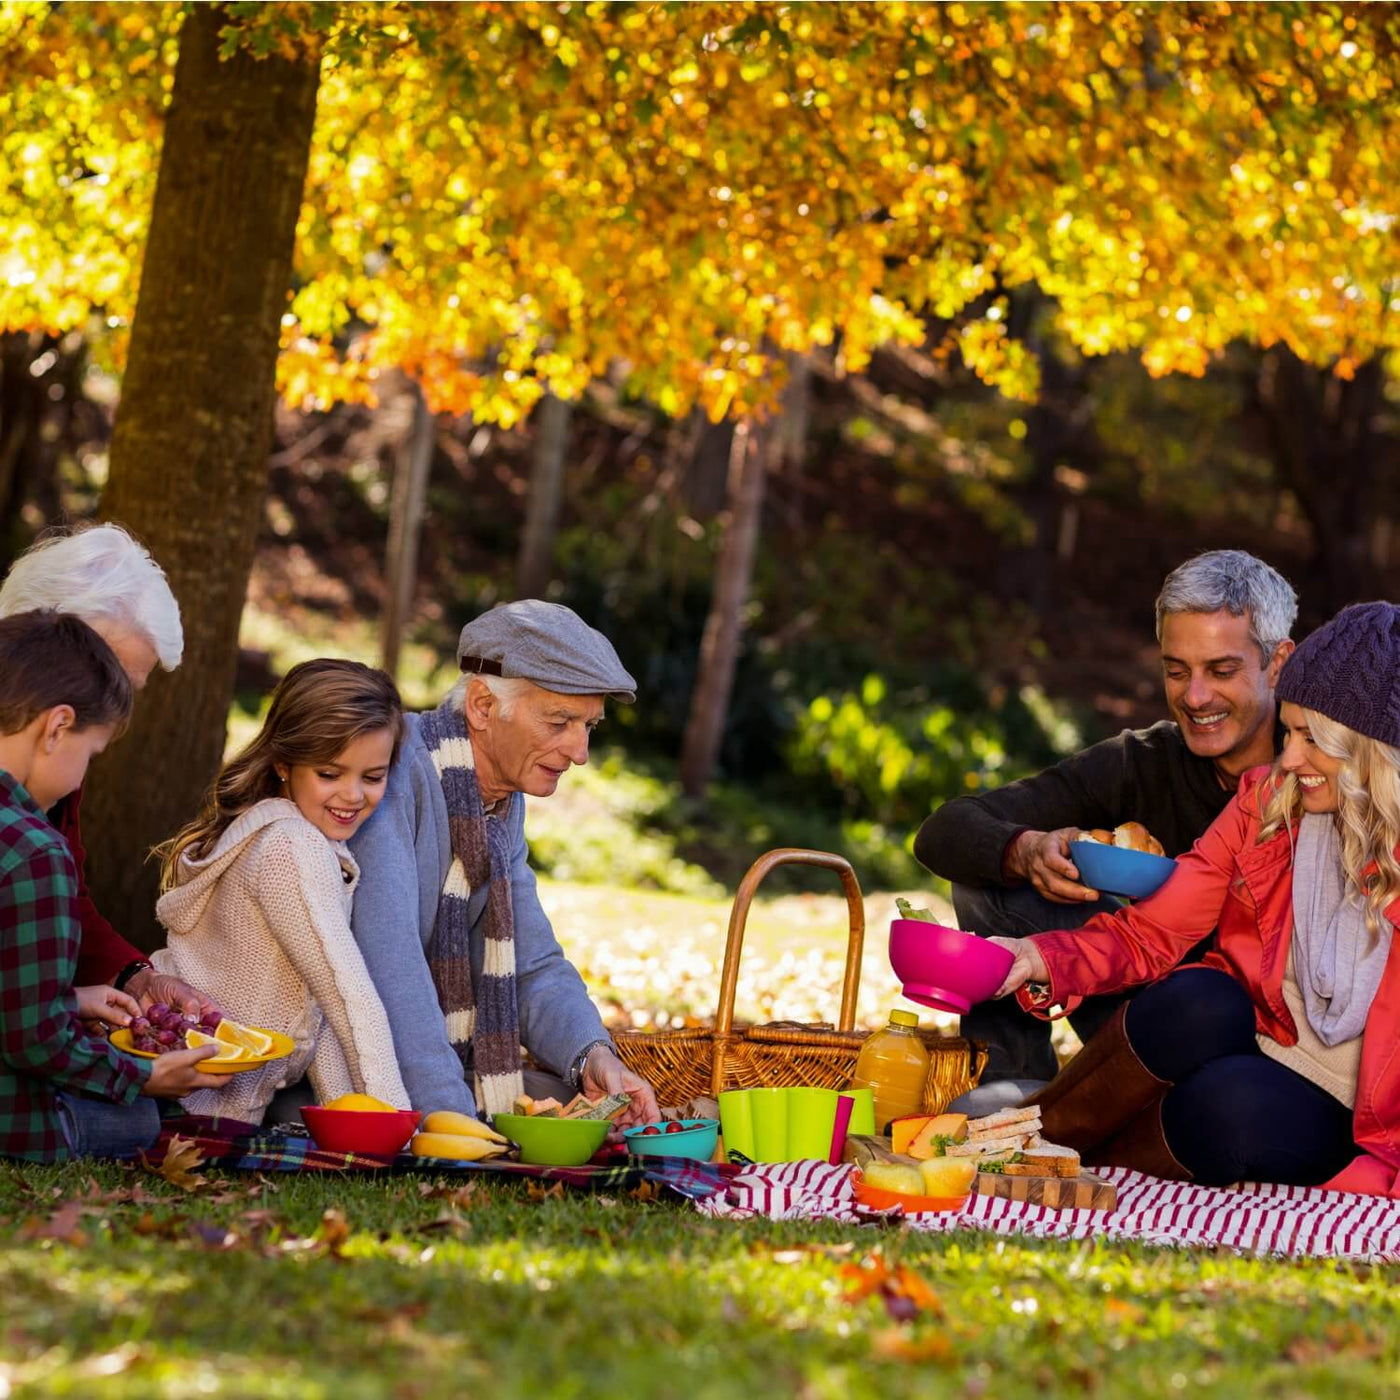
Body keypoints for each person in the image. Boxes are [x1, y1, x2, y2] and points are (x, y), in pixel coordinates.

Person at [992, 602, 1400, 1196]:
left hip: (1360, 1117)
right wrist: (1043, 959)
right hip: (1269, 1039)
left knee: (1226, 1103)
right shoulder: (1269, 802)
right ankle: (1024, 1144)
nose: (1287, 758)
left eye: (1314, 739)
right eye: (1288, 732)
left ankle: (1095, 1178)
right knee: (1197, 998)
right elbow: (1157, 928)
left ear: (1372, 749)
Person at [914, 550, 1297, 1103]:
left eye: (1221, 670)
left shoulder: (1311, 770)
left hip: (1254, 1033)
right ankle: (1008, 1092)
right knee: (986, 873)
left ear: (1277, 663)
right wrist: (1025, 851)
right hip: (1137, 986)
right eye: (1175, 670)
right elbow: (945, 829)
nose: (1195, 697)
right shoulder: (1141, 761)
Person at [349, 599, 660, 1126]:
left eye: (589, 725)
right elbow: (389, 965)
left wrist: (594, 1055)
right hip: (341, 1053)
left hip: (424, 1052)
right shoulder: (392, 769)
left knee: (578, 1103)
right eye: (560, 721)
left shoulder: (497, 805)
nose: (580, 752)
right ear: (482, 707)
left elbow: (531, 964)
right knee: (523, 1111)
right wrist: (453, 1121)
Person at [0, 611, 224, 1162]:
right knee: (136, 1121)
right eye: (90, 753)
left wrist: (72, 998)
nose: (82, 776)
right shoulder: (33, 849)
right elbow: (37, 1041)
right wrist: (141, 1074)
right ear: (57, 727)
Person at [153, 660, 411, 1125]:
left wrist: (354, 1121)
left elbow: (316, 1012)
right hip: (178, 1095)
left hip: (206, 1099)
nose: (353, 795)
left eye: (373, 777)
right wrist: (395, 1124)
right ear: (283, 764)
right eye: (330, 774)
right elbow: (346, 994)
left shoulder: (299, 838)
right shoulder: (292, 848)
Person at [0, 524, 214, 1018]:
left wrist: (133, 978)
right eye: (104, 669)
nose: (112, 704)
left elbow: (57, 897)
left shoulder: (56, 746)